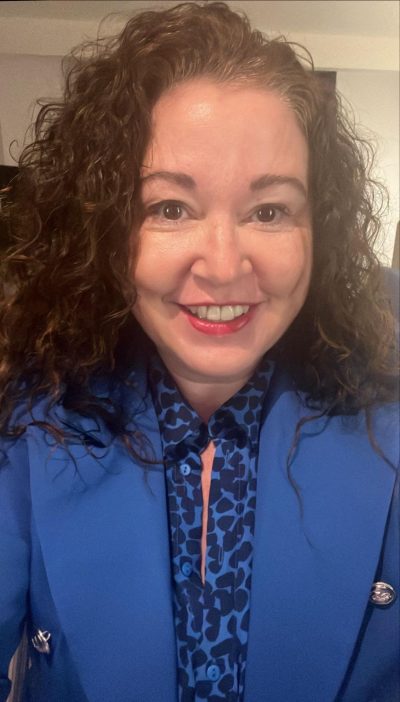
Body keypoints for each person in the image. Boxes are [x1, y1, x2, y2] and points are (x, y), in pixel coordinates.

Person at [0, 2, 398, 701]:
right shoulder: (29, 423)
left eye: (269, 211)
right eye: (170, 208)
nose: (222, 266)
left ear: (321, 230)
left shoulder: (387, 425)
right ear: (104, 230)